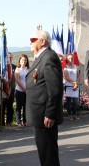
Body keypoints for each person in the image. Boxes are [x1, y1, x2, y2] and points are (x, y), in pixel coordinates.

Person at [26, 30, 63, 166]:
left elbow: (55, 89)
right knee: (44, 151)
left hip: (44, 115)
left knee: (48, 153)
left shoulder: (49, 58)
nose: (30, 42)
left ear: (43, 41)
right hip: (39, 113)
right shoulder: (41, 57)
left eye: (33, 39)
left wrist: (50, 114)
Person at [0, 52, 16, 126]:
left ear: (12, 58)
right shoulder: (2, 67)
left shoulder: (15, 67)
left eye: (10, 57)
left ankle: (9, 121)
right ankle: (2, 122)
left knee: (10, 107)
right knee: (2, 107)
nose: (9, 59)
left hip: (11, 90)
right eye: (8, 57)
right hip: (3, 90)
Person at [63, 53, 80, 120]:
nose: (71, 59)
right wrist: (74, 83)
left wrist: (76, 84)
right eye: (69, 58)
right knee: (69, 101)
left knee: (75, 101)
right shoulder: (65, 67)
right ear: (67, 59)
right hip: (68, 86)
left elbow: (78, 76)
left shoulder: (76, 66)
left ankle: (75, 114)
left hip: (75, 86)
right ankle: (69, 114)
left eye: (72, 58)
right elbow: (66, 77)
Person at [15, 54, 29, 127]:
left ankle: (25, 121)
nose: (24, 61)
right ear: (20, 61)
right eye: (23, 60)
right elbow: (17, 81)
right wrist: (24, 89)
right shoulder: (17, 69)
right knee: (19, 106)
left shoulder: (28, 69)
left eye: (25, 60)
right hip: (19, 90)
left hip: (27, 90)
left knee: (26, 106)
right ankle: (19, 122)